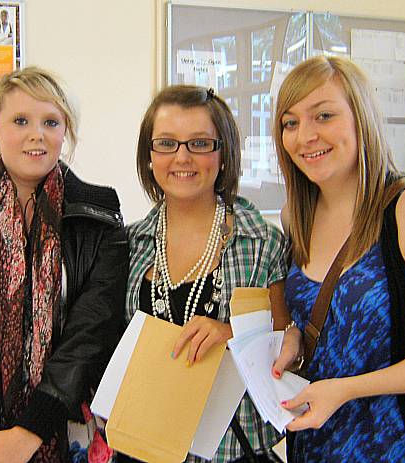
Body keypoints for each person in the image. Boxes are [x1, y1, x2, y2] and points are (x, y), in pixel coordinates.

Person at [270, 55, 405, 462]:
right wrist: (295, 336)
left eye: (324, 115)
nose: (306, 136)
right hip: (316, 442)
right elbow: (322, 317)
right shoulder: (295, 216)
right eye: (291, 122)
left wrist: (349, 387)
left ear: (361, 118)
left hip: (397, 444)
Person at [0, 67, 128, 463]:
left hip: (66, 420)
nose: (37, 134)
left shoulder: (99, 218)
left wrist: (30, 431)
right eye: (20, 121)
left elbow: (92, 333)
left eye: (51, 121)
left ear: (65, 130)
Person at [123, 85, 290, 462]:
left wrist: (232, 334)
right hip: (144, 446)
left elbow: (288, 349)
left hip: (232, 451)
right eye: (166, 143)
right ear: (149, 156)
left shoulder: (262, 242)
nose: (182, 157)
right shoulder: (130, 243)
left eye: (199, 143)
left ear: (223, 154)